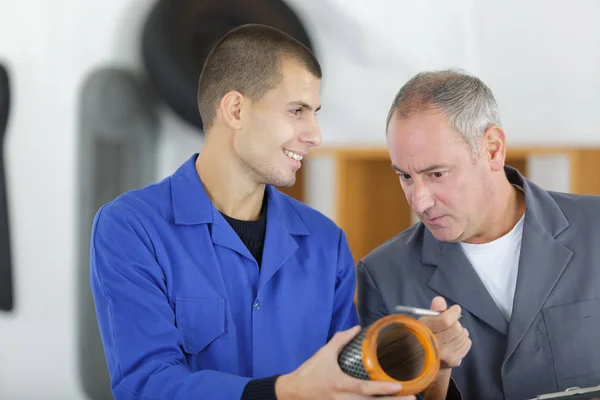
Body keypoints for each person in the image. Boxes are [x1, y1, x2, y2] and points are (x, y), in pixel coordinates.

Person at [90, 24, 416, 400]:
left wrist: (409, 354)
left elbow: (347, 376)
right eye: (297, 111)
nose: (314, 134)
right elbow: (146, 385)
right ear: (236, 109)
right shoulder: (132, 228)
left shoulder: (326, 241)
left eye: (314, 113)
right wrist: (285, 391)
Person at [356, 68, 600, 400]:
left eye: (437, 173)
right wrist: (435, 374)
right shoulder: (382, 276)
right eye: (405, 176)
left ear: (493, 149)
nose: (419, 201)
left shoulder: (595, 227)